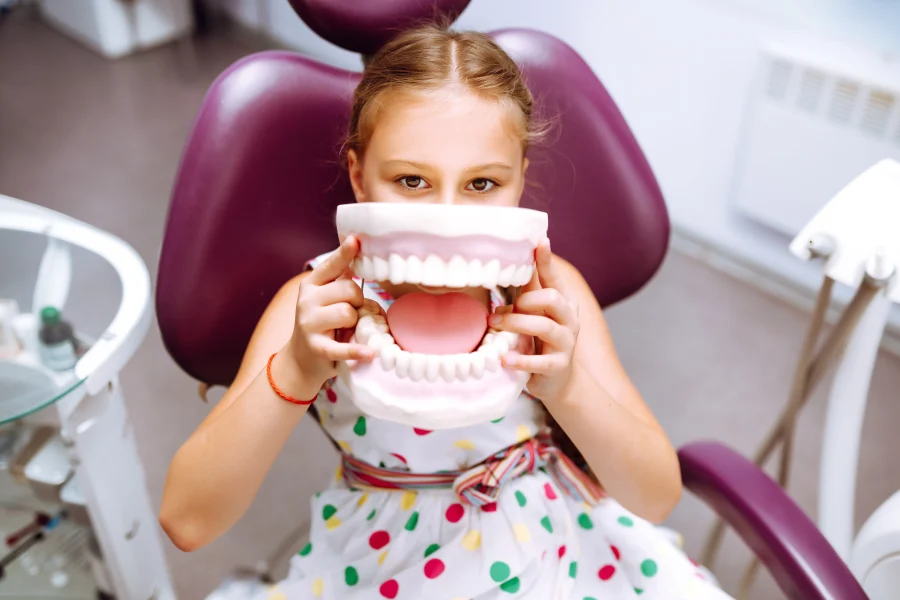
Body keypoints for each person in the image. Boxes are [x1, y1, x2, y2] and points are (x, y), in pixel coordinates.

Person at [160, 25, 733, 600]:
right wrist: (294, 371)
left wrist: (567, 388)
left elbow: (656, 497)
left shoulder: (549, 296)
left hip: (553, 543)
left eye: (482, 183)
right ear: (360, 178)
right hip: (380, 563)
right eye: (412, 181)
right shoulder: (314, 302)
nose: (447, 218)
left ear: (520, 182)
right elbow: (188, 520)